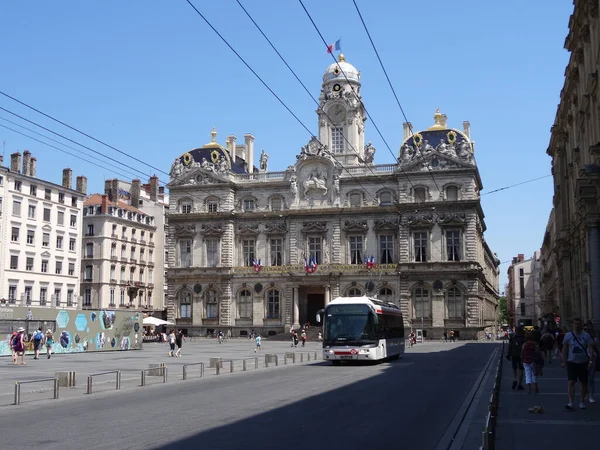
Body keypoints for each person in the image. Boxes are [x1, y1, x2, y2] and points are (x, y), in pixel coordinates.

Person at [561, 318, 596, 410]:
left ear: (581, 325)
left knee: (583, 382)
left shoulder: (586, 335)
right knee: (571, 381)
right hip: (572, 362)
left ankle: (581, 401)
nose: (577, 325)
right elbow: (564, 349)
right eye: (575, 323)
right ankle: (571, 402)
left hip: (583, 362)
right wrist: (563, 361)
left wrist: (591, 361)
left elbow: (591, 349)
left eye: (579, 324)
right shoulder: (568, 336)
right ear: (572, 325)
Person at [583, 322, 598, 403]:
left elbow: (594, 347)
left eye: (588, 329)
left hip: (592, 357)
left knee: (591, 378)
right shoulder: (581, 337)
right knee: (584, 378)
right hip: (583, 358)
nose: (587, 331)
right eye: (585, 329)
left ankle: (591, 395)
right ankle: (585, 393)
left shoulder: (593, 338)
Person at [507, 326, 526, 391]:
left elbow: (510, 346)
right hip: (522, 355)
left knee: (514, 368)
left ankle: (514, 379)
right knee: (521, 369)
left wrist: (509, 354)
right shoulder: (524, 337)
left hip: (514, 354)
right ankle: (519, 385)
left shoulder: (512, 336)